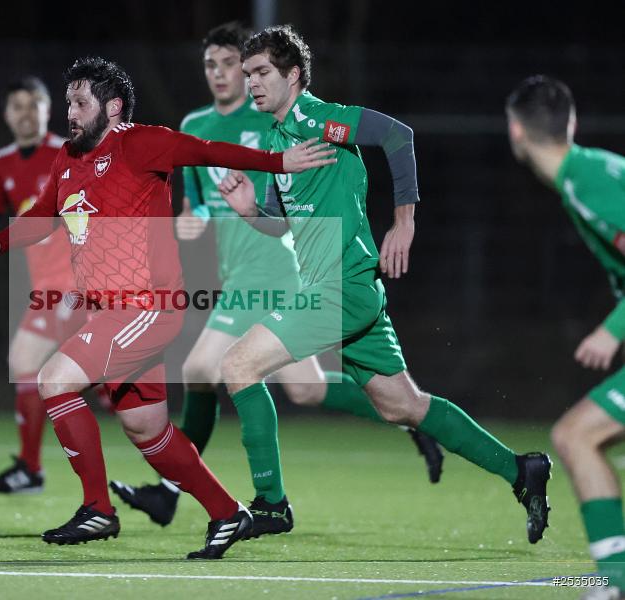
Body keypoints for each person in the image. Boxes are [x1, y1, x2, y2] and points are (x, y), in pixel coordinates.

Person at [0, 56, 334, 559]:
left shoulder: (139, 143)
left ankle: (97, 509)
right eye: (69, 102)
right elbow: (45, 217)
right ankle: (228, 513)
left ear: (113, 108)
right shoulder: (69, 160)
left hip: (146, 307)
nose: (70, 113)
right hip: (112, 313)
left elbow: (207, 151)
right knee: (147, 429)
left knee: (55, 380)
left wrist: (279, 162)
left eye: (80, 103)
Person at [216, 25, 551, 545]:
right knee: (402, 406)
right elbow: (286, 221)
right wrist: (250, 213)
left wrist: (404, 221)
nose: (251, 83)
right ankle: (522, 470)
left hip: (340, 286)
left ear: (293, 75)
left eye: (262, 73)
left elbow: (398, 136)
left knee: (238, 365)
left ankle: (272, 505)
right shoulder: (276, 138)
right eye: (248, 74)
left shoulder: (318, 118)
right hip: (346, 289)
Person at [110, 21, 443, 537]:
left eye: (235, 66)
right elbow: (200, 200)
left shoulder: (273, 115)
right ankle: (409, 418)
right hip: (235, 266)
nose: (224, 75)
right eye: (212, 65)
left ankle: (185, 491)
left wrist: (398, 217)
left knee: (206, 366)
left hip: (273, 265)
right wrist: (189, 217)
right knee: (307, 389)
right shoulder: (195, 122)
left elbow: (341, 162)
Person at [508, 75, 625, 600]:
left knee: (577, 437)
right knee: (580, 435)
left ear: (515, 130)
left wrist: (612, 329)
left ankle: (615, 582)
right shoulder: (591, 174)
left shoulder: (585, 180)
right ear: (570, 123)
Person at [0, 76, 77, 495]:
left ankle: (171, 469)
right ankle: (30, 469)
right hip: (47, 285)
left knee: (87, 376)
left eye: (33, 105)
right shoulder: (3, 161)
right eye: (17, 106)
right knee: (35, 363)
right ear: (7, 114)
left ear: (47, 110)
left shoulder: (68, 152)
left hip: (77, 280)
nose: (25, 113)